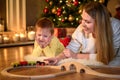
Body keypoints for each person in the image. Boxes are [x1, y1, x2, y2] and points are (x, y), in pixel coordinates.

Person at [45, 2, 120, 66]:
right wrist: (57, 58)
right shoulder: (81, 28)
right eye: (82, 19)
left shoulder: (115, 27)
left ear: (99, 23)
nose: (82, 24)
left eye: (87, 22)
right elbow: (69, 50)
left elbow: (108, 57)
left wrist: (76, 56)